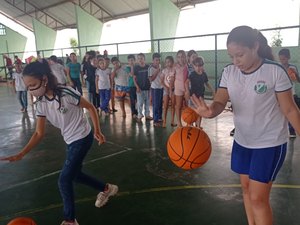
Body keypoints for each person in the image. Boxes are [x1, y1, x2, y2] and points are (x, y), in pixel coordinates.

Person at [191, 25, 300, 225]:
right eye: (231, 56)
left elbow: (290, 110)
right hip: (242, 141)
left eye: (239, 55)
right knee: (247, 191)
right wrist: (209, 112)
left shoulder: (274, 71)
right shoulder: (229, 72)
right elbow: (219, 102)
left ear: (255, 47)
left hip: (270, 143)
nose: (235, 61)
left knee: (259, 199)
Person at [0, 61, 118, 225]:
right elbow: (39, 133)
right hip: (70, 140)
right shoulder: (41, 103)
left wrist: (97, 130)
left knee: (64, 180)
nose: (31, 90)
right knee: (75, 175)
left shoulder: (65, 93)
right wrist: (21, 153)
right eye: (28, 87)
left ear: (44, 79)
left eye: (33, 85)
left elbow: (90, 107)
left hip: (82, 137)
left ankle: (70, 221)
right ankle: (106, 189)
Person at [184, 56, 214, 127]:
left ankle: (198, 126)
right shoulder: (193, 75)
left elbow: (206, 83)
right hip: (193, 96)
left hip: (201, 96)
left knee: (201, 111)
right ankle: (190, 125)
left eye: (200, 66)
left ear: (203, 66)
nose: (198, 68)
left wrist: (212, 90)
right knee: (191, 111)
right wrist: (187, 91)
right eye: (196, 66)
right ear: (193, 66)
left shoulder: (204, 74)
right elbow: (186, 82)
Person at [278, 48, 300, 138]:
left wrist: (295, 74)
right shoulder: (278, 67)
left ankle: (292, 130)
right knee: (281, 112)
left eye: (284, 59)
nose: (282, 61)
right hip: (280, 94)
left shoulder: (293, 67)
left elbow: (298, 80)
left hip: (291, 93)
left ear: (288, 58)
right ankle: (280, 130)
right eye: (280, 59)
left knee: (291, 111)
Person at [133, 53, 153, 122]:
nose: (140, 60)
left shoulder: (148, 67)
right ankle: (139, 115)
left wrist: (151, 86)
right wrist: (137, 87)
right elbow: (134, 78)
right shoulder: (136, 67)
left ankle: (147, 115)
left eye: (141, 58)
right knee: (140, 103)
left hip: (147, 88)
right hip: (140, 89)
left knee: (147, 103)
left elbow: (150, 77)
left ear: (144, 59)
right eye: (138, 59)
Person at [174, 50, 188, 127]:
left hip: (187, 89)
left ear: (185, 57)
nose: (181, 58)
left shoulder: (188, 66)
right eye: (179, 57)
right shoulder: (175, 66)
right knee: (178, 105)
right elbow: (171, 77)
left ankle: (189, 121)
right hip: (178, 88)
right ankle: (179, 122)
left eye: (182, 56)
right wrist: (170, 89)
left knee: (188, 106)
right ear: (177, 58)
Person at [161, 56, 176, 128]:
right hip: (166, 90)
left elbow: (174, 80)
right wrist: (166, 88)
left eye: (169, 61)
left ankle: (172, 121)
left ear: (172, 62)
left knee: (173, 105)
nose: (168, 63)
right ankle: (164, 121)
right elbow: (161, 81)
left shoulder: (174, 70)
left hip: (173, 90)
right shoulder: (164, 71)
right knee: (165, 106)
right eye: (166, 62)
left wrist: (171, 89)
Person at [149, 53, 163, 127]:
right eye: (156, 60)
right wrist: (157, 71)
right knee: (156, 104)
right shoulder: (150, 68)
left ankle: (159, 117)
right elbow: (151, 79)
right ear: (153, 60)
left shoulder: (160, 66)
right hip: (155, 88)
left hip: (161, 87)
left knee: (160, 104)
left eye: (159, 60)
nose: (158, 62)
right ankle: (155, 120)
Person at [126, 54, 138, 118]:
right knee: (132, 100)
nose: (131, 62)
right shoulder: (127, 68)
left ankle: (138, 112)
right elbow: (132, 74)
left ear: (135, 60)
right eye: (130, 60)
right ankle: (133, 113)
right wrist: (132, 67)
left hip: (138, 86)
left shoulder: (137, 67)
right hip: (131, 86)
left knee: (138, 100)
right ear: (128, 61)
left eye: (132, 60)